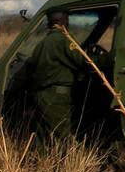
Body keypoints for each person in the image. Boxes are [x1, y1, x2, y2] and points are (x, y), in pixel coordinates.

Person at [27, 10, 88, 145]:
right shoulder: (63, 40)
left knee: (42, 136)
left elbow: (31, 67)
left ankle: (39, 163)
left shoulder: (42, 43)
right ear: (64, 22)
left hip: (42, 95)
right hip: (57, 97)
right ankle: (66, 164)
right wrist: (110, 57)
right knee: (63, 136)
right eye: (67, 20)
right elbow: (84, 61)